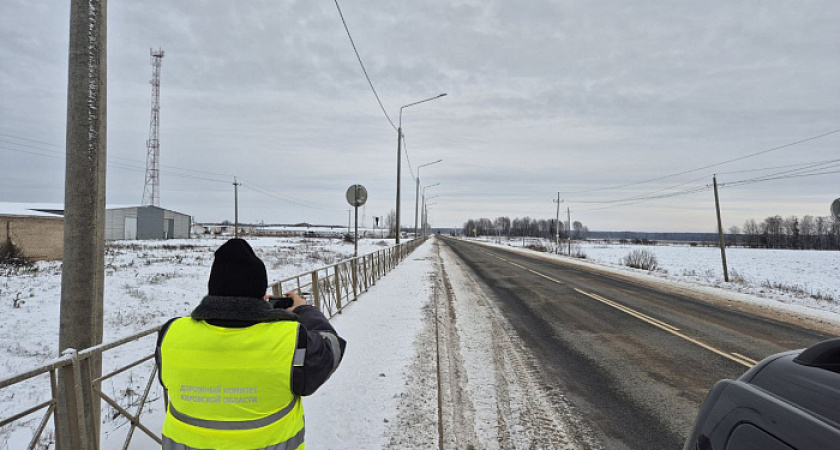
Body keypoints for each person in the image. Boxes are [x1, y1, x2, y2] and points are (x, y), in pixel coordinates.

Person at [155, 238, 345, 450]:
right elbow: (330, 350)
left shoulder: (172, 334)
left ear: (213, 289)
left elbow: (168, 382)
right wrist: (304, 310)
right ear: (261, 294)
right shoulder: (290, 339)